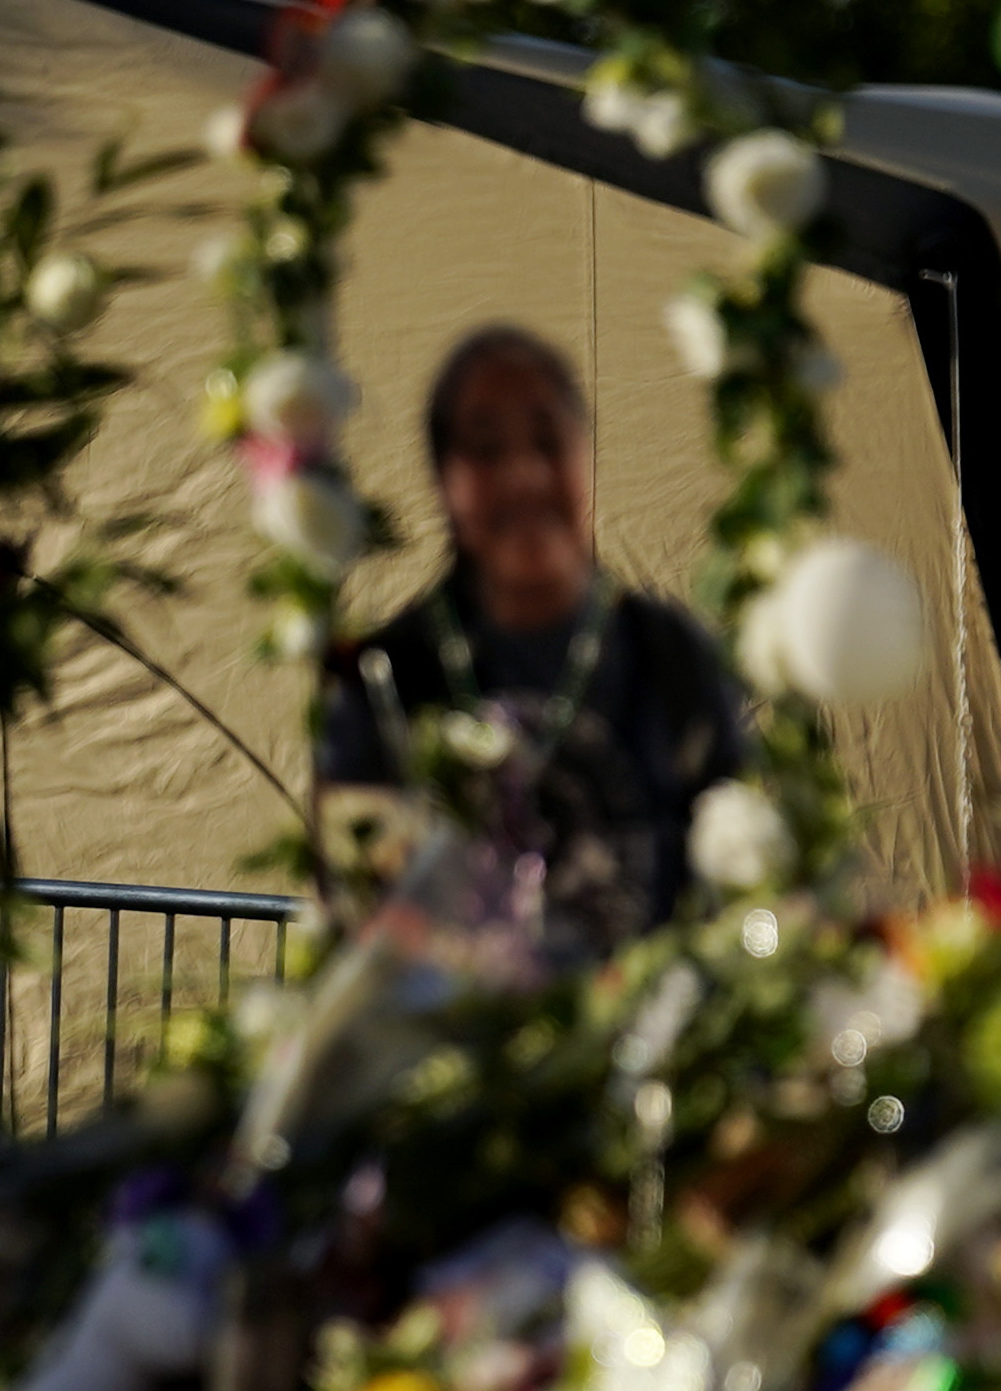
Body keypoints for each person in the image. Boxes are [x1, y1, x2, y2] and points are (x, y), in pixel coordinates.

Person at [316, 325, 746, 956]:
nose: (522, 475)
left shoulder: (672, 652)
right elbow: (363, 919)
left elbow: (741, 884)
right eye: (486, 450)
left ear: (588, 459)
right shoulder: (384, 672)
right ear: (442, 477)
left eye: (548, 441)